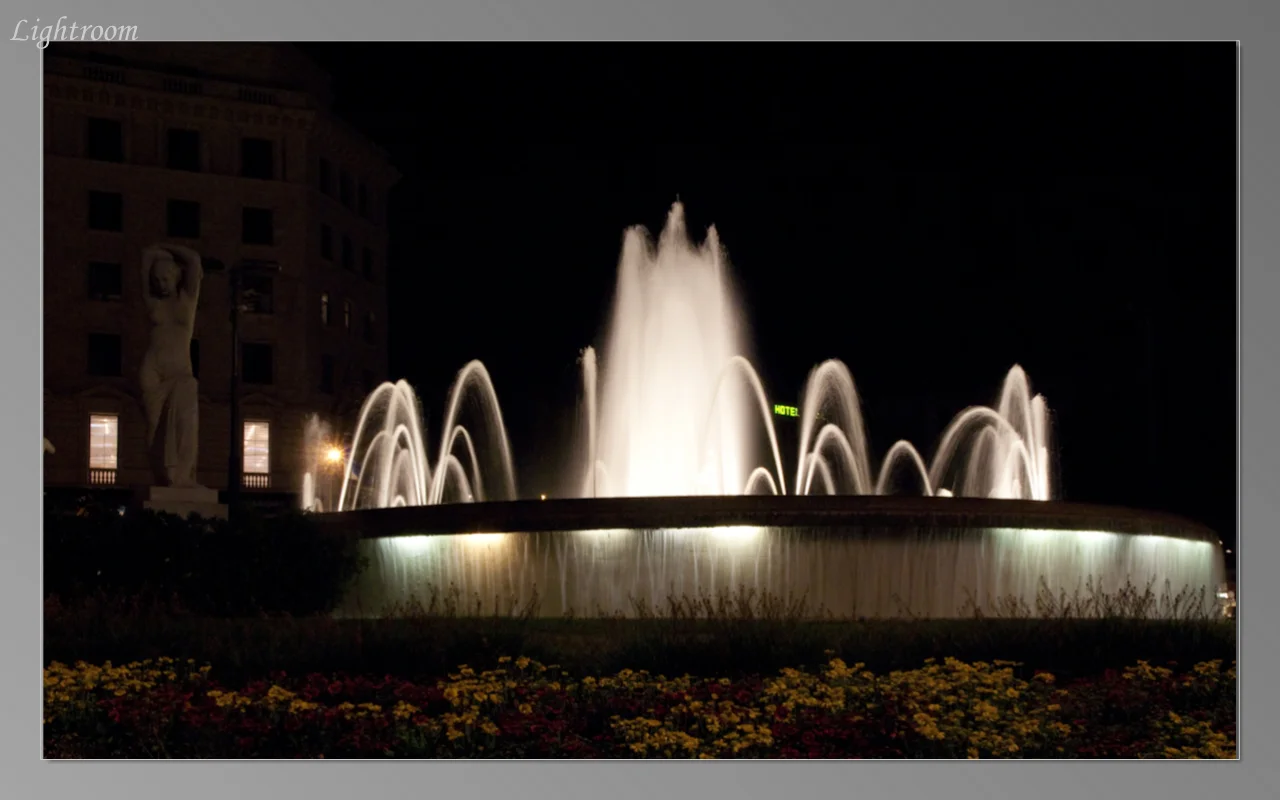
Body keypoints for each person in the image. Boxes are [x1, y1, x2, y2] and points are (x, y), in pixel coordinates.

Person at [139, 244, 204, 488]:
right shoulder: (152, 302)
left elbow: (194, 259)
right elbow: (145, 256)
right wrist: (158, 256)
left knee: (185, 422)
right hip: (152, 370)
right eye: (157, 280)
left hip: (180, 372)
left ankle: (182, 476)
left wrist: (166, 248)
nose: (161, 284)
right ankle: (161, 478)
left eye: (166, 278)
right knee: (155, 429)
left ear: (176, 277)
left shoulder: (188, 299)